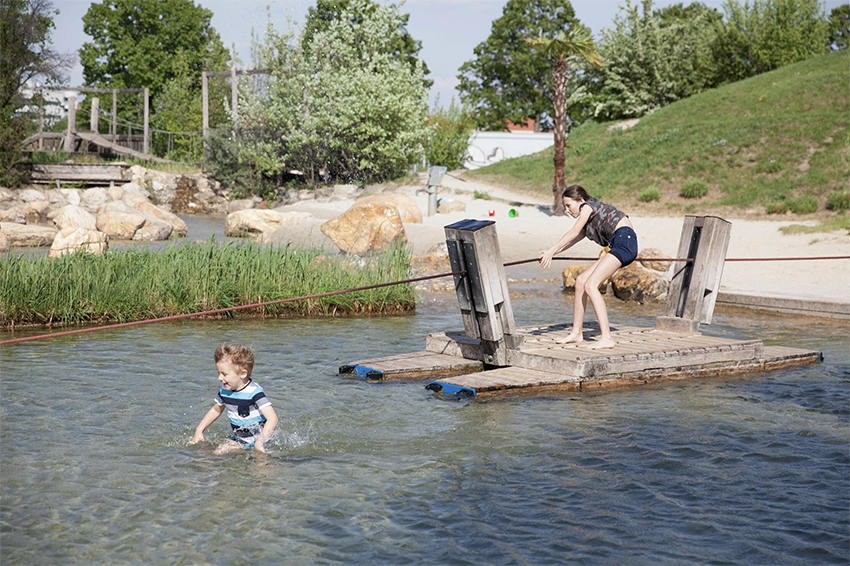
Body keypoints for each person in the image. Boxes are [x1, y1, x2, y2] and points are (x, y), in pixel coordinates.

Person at [539, 185, 638, 349]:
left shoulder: (588, 206)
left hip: (625, 242)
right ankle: (577, 333)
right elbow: (572, 239)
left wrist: (551, 250)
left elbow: (573, 231)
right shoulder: (588, 222)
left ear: (580, 200)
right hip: (617, 245)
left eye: (569, 205)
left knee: (591, 285)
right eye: (564, 207)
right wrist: (551, 253)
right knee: (581, 281)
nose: (567, 210)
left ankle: (606, 337)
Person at [191, 342, 279, 454]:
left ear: (242, 374)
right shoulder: (225, 391)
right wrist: (199, 429)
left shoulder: (254, 392)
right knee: (215, 453)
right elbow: (216, 409)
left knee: (260, 465)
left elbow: (273, 418)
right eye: (218, 373)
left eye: (224, 374)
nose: (219, 378)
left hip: (260, 441)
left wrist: (260, 442)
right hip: (239, 439)